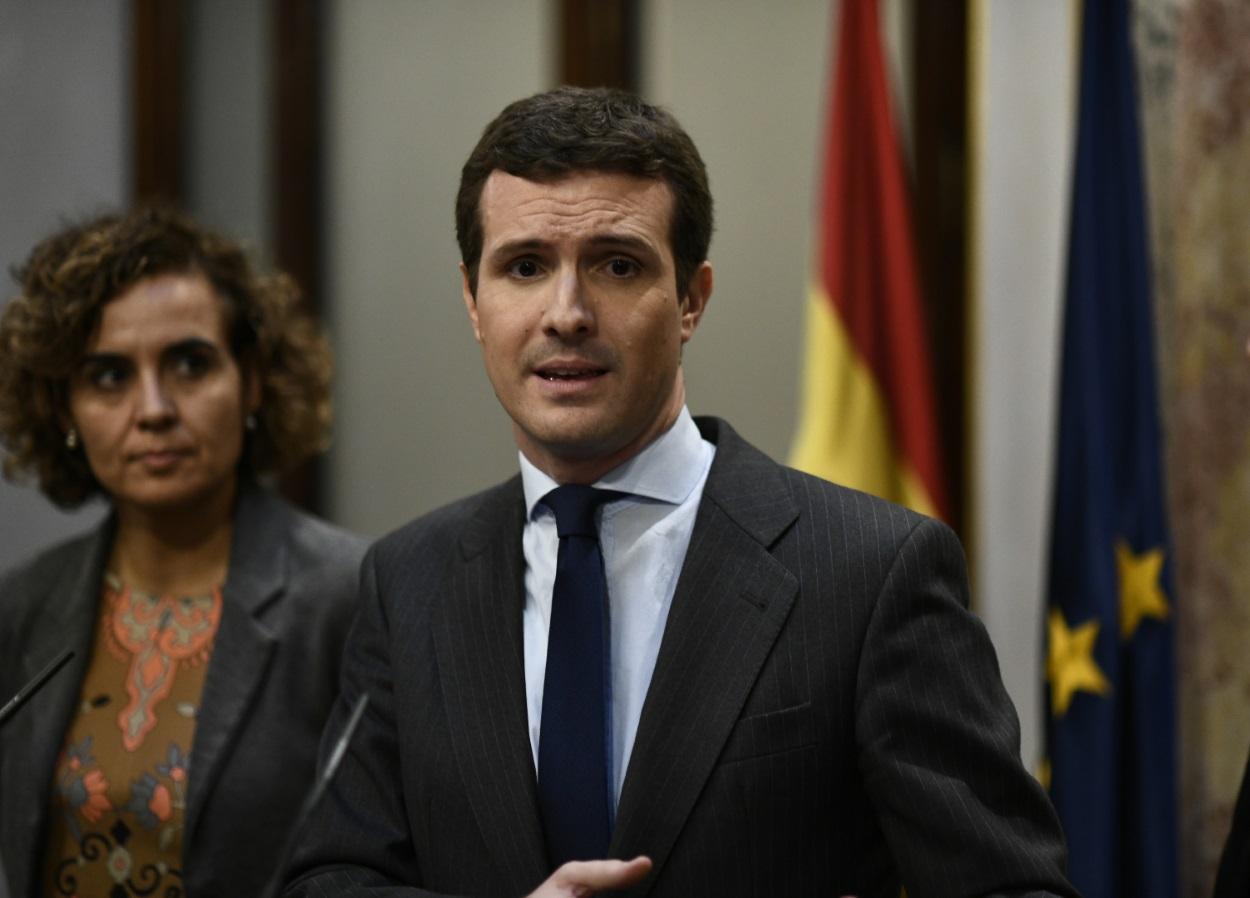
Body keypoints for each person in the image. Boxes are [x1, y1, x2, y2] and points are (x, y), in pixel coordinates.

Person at [283, 86, 1077, 898]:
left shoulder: (871, 573)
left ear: (692, 299)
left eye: (617, 266)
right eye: (525, 267)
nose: (567, 314)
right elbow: (328, 879)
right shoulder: (408, 580)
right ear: (472, 302)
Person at [0, 208, 367, 897]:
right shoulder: (24, 604)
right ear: (63, 410)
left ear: (252, 381)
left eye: (190, 364)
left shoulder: (348, 599)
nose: (155, 408)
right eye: (108, 376)